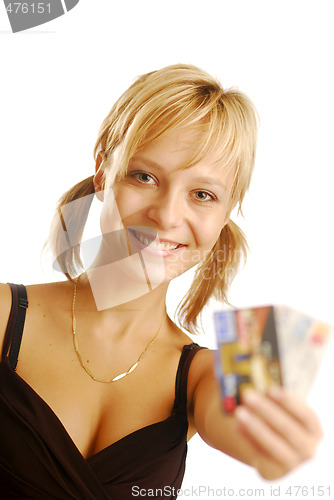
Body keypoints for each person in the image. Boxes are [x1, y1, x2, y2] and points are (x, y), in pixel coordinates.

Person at [0, 64, 322, 499]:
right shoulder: (3, 314)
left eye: (202, 194)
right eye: (144, 177)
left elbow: (240, 415)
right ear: (103, 174)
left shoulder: (204, 371)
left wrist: (268, 435)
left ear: (226, 214)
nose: (167, 216)